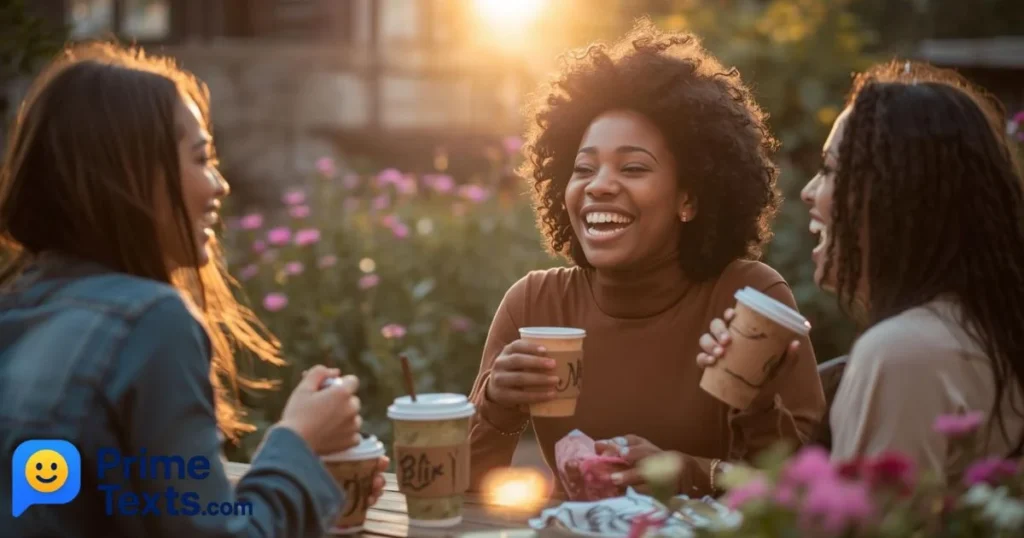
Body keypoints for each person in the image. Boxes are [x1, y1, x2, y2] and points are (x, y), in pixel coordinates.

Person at [0, 43, 386, 536]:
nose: (220, 185)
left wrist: (308, 478)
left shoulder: (16, 313)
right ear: (132, 174)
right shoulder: (150, 321)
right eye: (201, 157)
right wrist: (299, 442)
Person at [467, 20, 826, 498]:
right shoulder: (535, 305)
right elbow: (456, 487)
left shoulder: (748, 301)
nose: (599, 185)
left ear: (689, 198)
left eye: (633, 168)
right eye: (584, 168)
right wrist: (496, 406)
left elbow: (803, 493)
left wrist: (691, 473)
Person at [697, 60, 1024, 481]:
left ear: (898, 196)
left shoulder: (902, 353)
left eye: (830, 170)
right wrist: (760, 403)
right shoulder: (983, 332)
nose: (808, 191)